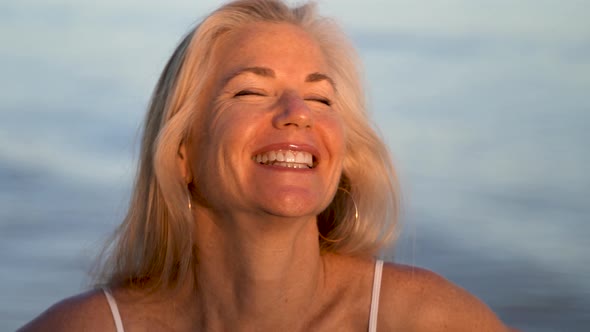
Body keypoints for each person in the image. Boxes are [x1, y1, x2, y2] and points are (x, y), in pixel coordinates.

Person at [20, 0, 515, 331]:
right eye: (252, 91)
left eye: (322, 99)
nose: (298, 114)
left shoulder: (424, 317)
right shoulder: (90, 326)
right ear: (181, 152)